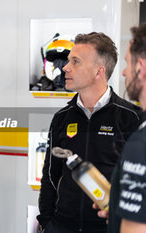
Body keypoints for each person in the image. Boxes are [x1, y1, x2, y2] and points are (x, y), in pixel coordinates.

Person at [36, 32, 141, 233]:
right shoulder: (61, 118)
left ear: (98, 71)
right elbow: (50, 175)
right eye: (68, 61)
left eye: (75, 61)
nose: (65, 67)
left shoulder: (132, 118)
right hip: (62, 226)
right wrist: (47, 222)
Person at [95, 23, 146, 233]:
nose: (124, 72)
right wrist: (120, 209)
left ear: (140, 68)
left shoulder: (140, 145)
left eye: (127, 63)